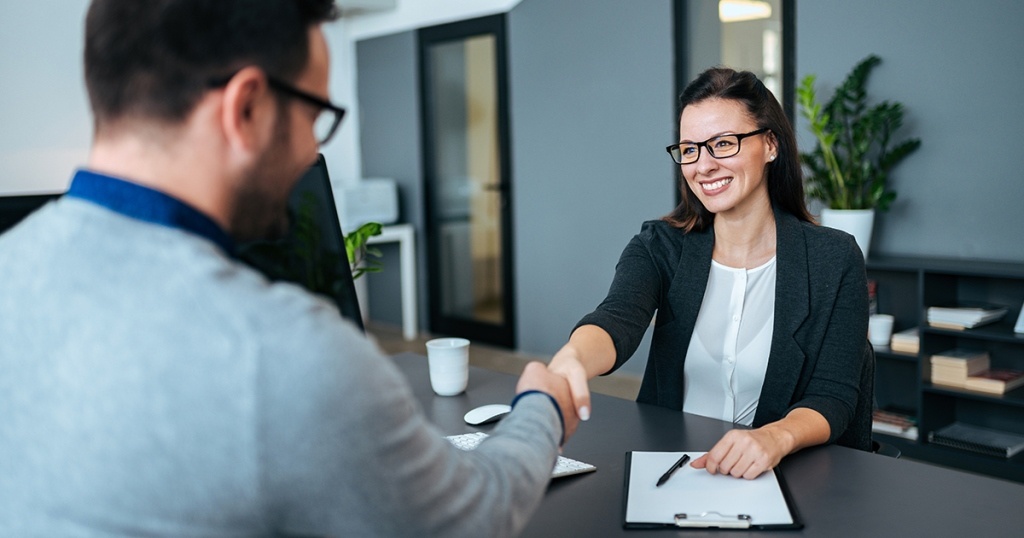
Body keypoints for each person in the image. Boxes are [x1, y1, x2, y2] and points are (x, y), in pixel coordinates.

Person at [0, 1, 578, 536]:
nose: (311, 152)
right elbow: (476, 516)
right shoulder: (276, 352)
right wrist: (541, 406)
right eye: (314, 115)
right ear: (246, 107)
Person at [548, 67, 871, 480]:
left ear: (770, 144)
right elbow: (617, 319)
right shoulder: (660, 245)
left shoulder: (833, 257)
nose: (703, 165)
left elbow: (834, 395)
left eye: (723, 143)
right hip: (672, 469)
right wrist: (572, 360)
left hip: (784, 473)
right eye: (689, 149)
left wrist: (775, 437)